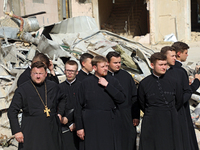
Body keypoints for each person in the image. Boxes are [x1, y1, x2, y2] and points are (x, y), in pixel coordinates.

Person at [8, 61, 66, 150]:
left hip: (51, 130)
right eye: (35, 73)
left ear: (46, 74)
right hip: (31, 130)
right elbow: (12, 111)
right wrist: (17, 131)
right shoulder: (23, 89)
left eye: (40, 73)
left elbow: (63, 98)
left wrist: (60, 113)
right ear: (31, 73)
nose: (38, 76)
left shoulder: (53, 86)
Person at [75, 55, 125, 150]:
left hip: (109, 123)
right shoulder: (86, 83)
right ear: (95, 68)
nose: (106, 68)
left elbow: (121, 98)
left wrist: (108, 86)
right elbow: (78, 106)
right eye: (102, 67)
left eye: (106, 66)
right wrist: (79, 127)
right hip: (91, 124)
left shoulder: (113, 81)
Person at [138, 52, 183, 150]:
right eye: (161, 65)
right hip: (152, 119)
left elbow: (179, 101)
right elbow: (142, 103)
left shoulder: (173, 81)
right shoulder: (144, 83)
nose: (164, 67)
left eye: (165, 64)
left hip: (170, 118)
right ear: (152, 65)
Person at [106, 51, 140, 150]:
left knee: (127, 140)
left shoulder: (126, 76)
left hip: (126, 114)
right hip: (109, 115)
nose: (118, 65)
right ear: (107, 62)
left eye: (119, 62)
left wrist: (135, 115)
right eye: (115, 63)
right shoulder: (102, 76)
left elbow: (134, 96)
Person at [161, 46, 192, 150]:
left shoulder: (180, 72)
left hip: (179, 111)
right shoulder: (159, 73)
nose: (175, 58)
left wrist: (177, 104)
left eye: (175, 56)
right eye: (172, 56)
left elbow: (187, 91)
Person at [172, 41, 200, 150]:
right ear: (179, 53)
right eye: (186, 52)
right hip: (181, 109)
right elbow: (187, 92)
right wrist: (197, 81)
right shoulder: (179, 70)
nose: (187, 55)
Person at [59, 60, 81, 150]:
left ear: (77, 72)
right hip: (65, 126)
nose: (70, 73)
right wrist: (68, 123)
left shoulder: (82, 86)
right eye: (68, 70)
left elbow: (81, 105)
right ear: (64, 71)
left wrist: (76, 123)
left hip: (79, 125)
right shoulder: (59, 87)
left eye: (72, 71)